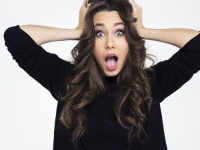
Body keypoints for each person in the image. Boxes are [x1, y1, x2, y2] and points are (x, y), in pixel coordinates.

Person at [3, 0, 200, 149]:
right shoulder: (67, 81)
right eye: (99, 33)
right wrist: (79, 30)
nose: (110, 43)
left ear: (130, 40)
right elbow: (16, 38)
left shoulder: (151, 84)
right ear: (90, 41)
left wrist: (141, 29)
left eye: (120, 32)